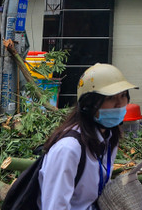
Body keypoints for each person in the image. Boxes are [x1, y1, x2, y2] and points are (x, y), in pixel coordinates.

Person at [38, 63, 136, 210]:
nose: (119, 104)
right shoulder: (68, 149)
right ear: (89, 103)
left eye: (123, 95)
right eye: (110, 98)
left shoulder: (108, 138)